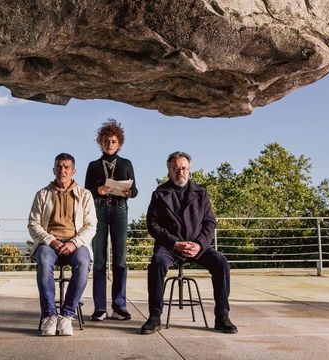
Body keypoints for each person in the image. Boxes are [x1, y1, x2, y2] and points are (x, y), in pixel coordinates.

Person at [140, 151, 237, 335]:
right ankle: (155, 316)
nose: (180, 172)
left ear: (189, 170)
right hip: (170, 247)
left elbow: (210, 222)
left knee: (221, 263)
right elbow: (152, 225)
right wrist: (174, 243)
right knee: (157, 263)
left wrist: (200, 244)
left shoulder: (201, 193)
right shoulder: (159, 194)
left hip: (197, 246)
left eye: (183, 168)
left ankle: (222, 316)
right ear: (169, 171)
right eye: (175, 168)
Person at [28, 153, 97, 336]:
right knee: (43, 260)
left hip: (76, 244)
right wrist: (51, 240)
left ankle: (66, 316)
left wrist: (74, 243)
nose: (62, 170)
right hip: (49, 244)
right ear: (53, 170)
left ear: (73, 171)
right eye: (59, 167)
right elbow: (33, 224)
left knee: (84, 263)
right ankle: (50, 316)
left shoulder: (85, 195)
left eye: (66, 167)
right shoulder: (42, 194)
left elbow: (91, 226)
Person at [85, 119, 138, 321]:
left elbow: (135, 190)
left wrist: (128, 192)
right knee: (99, 260)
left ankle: (119, 306)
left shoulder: (126, 163)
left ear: (120, 144)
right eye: (106, 141)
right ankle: (100, 308)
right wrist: (98, 190)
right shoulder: (93, 165)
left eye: (113, 141)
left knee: (120, 260)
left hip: (119, 211)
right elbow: (86, 191)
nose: (109, 144)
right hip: (98, 211)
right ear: (101, 142)